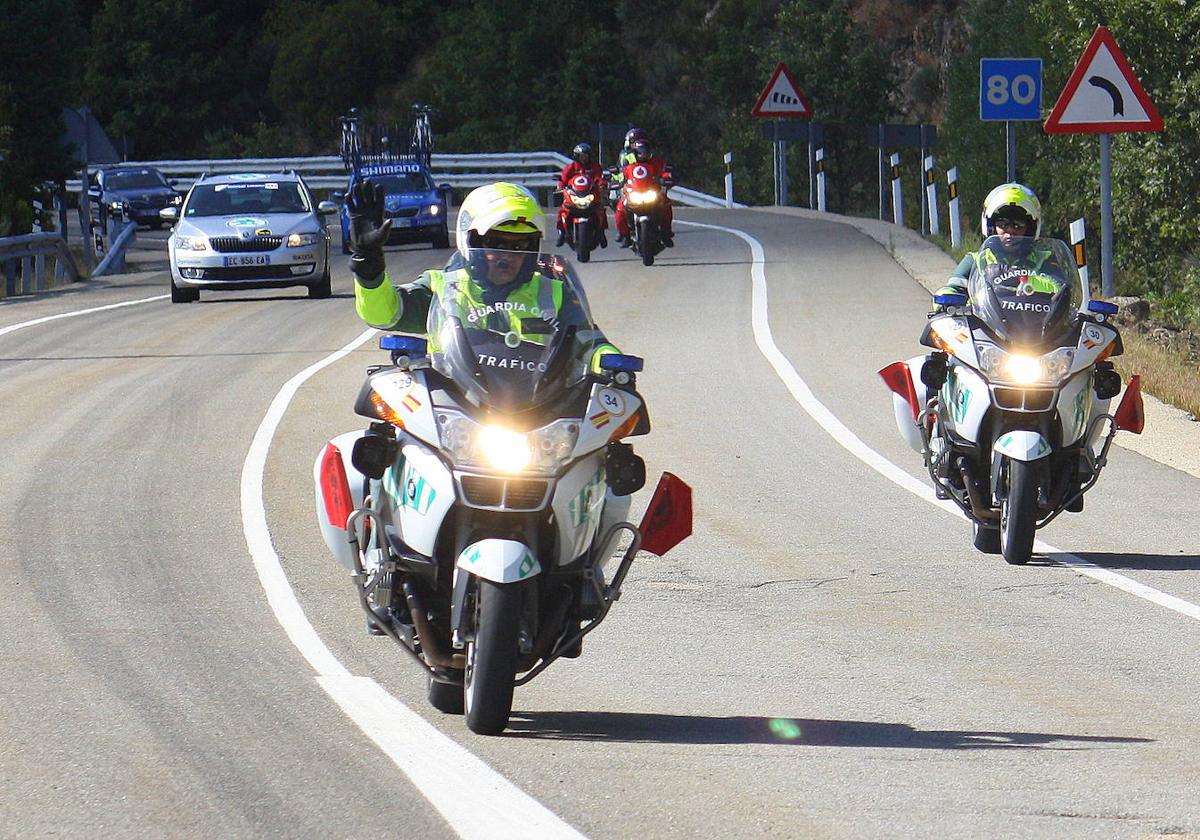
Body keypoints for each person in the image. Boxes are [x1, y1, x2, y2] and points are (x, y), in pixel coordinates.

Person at [349, 180, 620, 369]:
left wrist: (612, 362)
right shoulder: (443, 288)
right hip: (452, 408)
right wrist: (369, 267)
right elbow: (385, 314)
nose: (508, 256)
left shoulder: (554, 292)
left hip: (539, 410)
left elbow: (589, 341)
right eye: (496, 245)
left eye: (520, 247)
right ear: (471, 242)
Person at [934, 182, 1059, 303]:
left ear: (1030, 229)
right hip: (983, 323)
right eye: (1003, 224)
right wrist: (945, 298)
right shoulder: (976, 260)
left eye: (1018, 225)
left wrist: (1016, 279)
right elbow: (953, 288)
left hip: (1036, 323)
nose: (1010, 231)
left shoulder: (1044, 259)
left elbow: (1060, 289)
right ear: (991, 227)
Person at [614, 139, 674, 247]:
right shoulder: (629, 164)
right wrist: (615, 182)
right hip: (634, 193)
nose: (643, 154)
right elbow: (621, 176)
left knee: (666, 204)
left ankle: (666, 233)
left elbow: (665, 173)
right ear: (635, 153)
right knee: (620, 209)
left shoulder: (656, 162)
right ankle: (625, 235)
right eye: (640, 152)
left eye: (645, 152)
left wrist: (666, 179)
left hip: (652, 192)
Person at [555, 142, 608, 248]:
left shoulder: (594, 166)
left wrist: (602, 184)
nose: (584, 158)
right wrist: (560, 186)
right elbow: (563, 180)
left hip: (590, 194)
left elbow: (599, 177)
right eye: (581, 156)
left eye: (586, 155)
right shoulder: (571, 167)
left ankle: (601, 232)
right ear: (577, 156)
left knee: (600, 209)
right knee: (562, 210)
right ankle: (562, 232)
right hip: (574, 195)